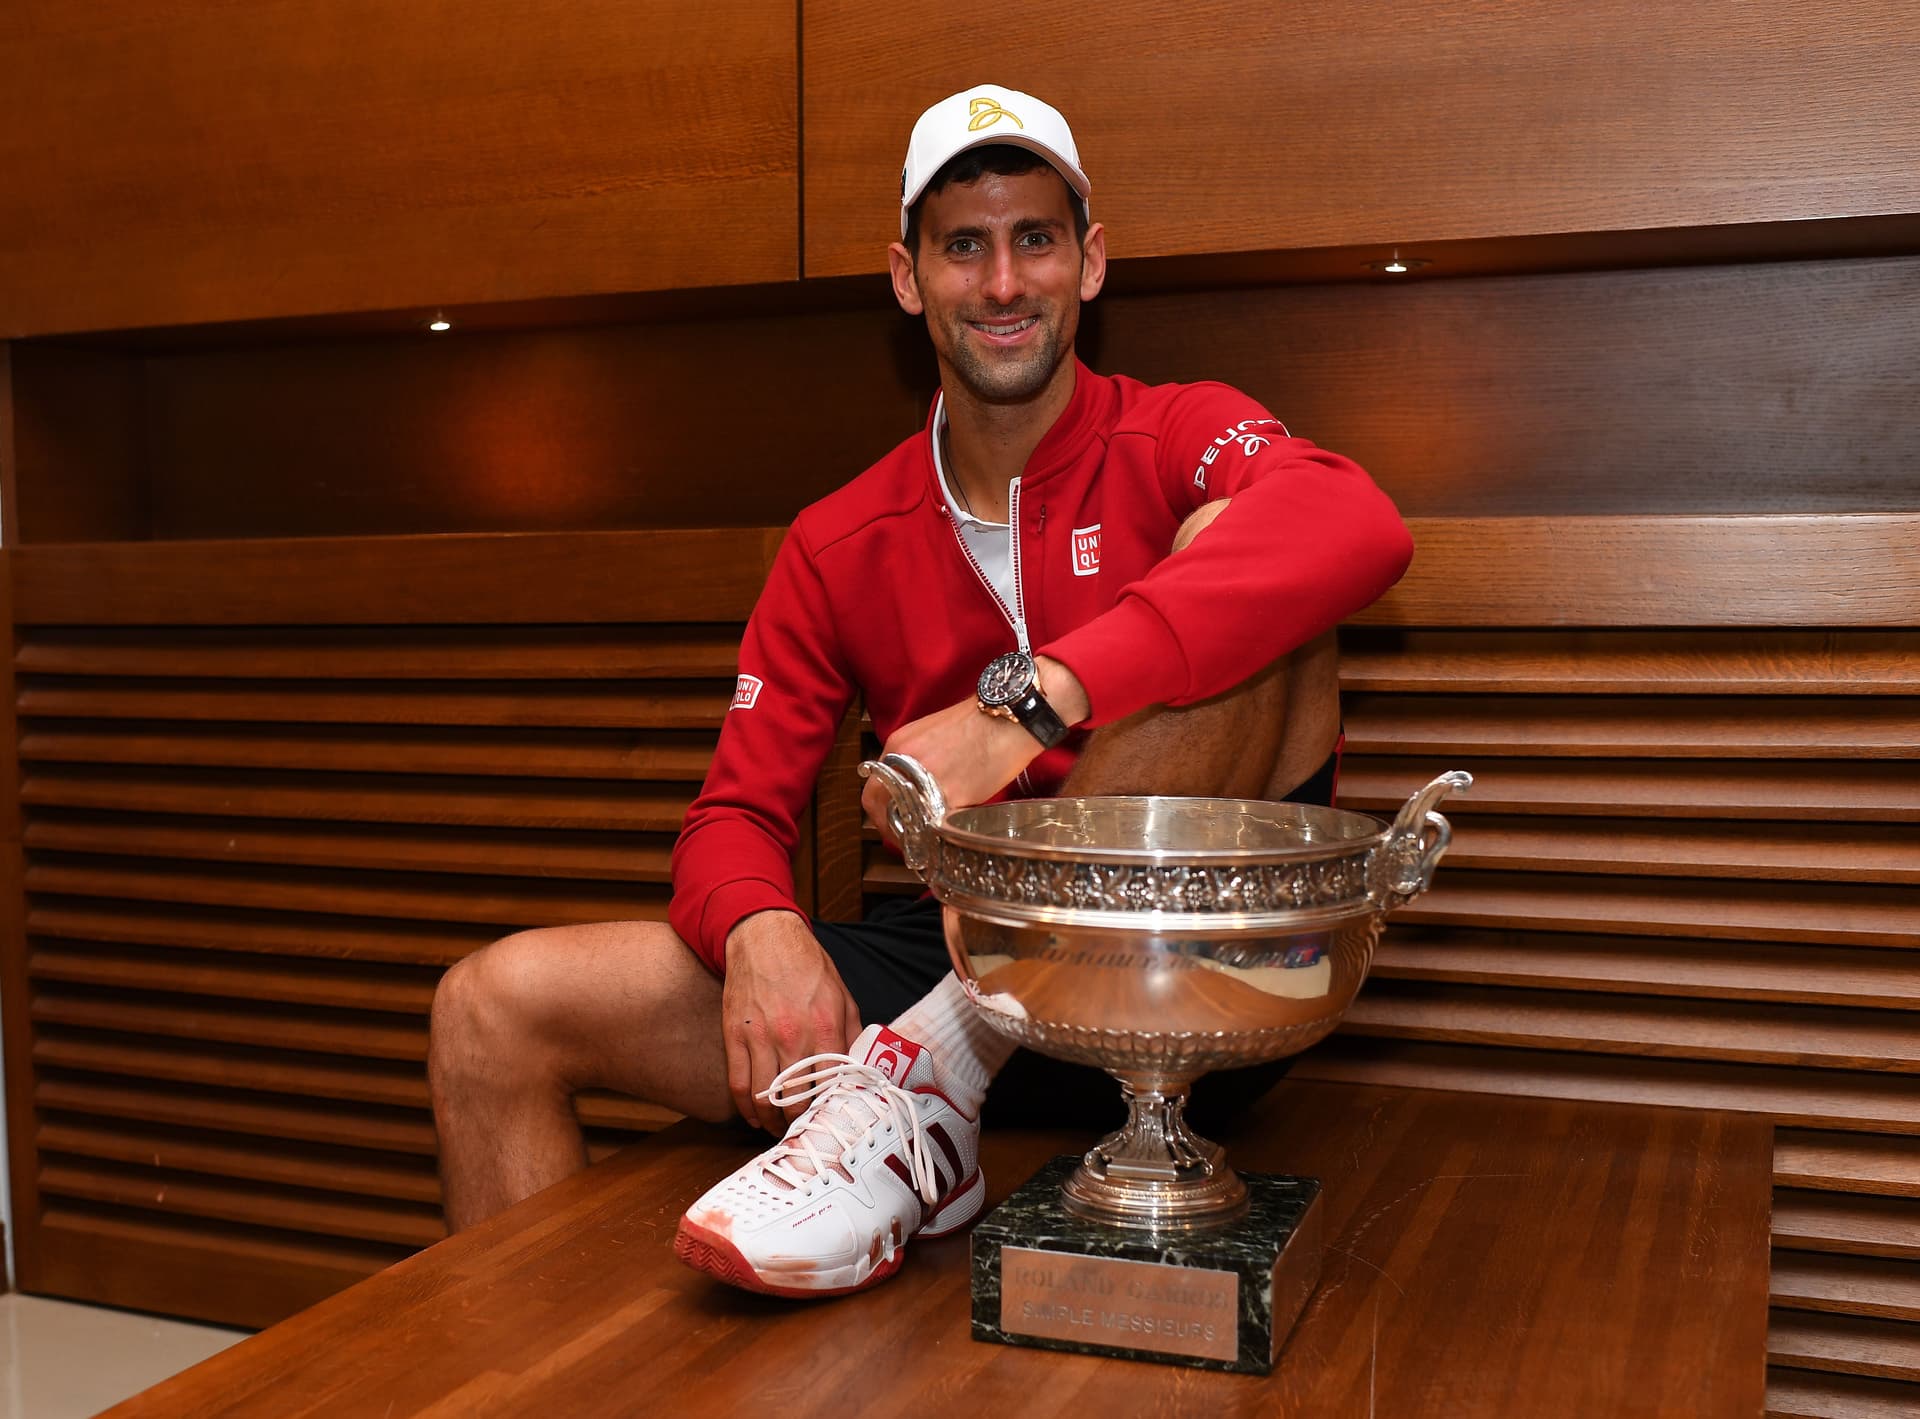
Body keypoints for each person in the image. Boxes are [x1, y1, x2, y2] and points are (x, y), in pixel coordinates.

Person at [427, 84, 1412, 1299]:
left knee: (1246, 555)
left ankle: (944, 1061)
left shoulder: (1172, 434)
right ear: (908, 278)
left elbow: (1356, 522)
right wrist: (759, 929)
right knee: (492, 1007)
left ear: (1089, 261)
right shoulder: (840, 536)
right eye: (964, 246)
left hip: (1187, 971)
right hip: (938, 966)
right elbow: (732, 816)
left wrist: (1034, 704)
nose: (1003, 282)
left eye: (1035, 238)